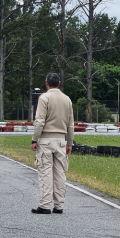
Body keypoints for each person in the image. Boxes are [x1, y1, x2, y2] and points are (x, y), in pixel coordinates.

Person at [31, 72, 74, 214]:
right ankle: (59, 205)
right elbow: (71, 124)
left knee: (45, 172)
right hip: (61, 140)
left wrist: (34, 139)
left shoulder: (44, 98)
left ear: (46, 83)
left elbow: (40, 121)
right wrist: (69, 143)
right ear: (59, 83)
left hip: (45, 140)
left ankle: (44, 205)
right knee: (60, 173)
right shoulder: (67, 99)